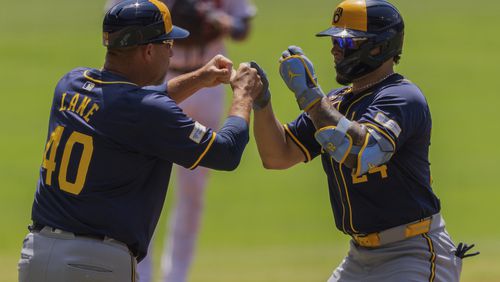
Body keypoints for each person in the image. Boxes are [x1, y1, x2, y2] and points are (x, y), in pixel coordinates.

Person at [17, 1, 262, 281]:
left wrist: (199, 78)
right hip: (93, 267)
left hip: (36, 257)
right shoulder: (143, 111)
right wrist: (243, 96)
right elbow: (226, 152)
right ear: (148, 50)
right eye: (168, 43)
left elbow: (137, 107)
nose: (172, 51)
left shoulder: (70, 84)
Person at [251, 0, 477, 281]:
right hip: (359, 257)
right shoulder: (334, 103)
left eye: (347, 42)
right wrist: (262, 103)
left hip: (412, 254)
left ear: (380, 46)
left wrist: (310, 98)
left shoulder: (401, 98)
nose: (335, 49)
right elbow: (277, 155)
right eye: (334, 40)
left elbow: (365, 154)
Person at [104, 0, 255, 280]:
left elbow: (241, 27)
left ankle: (177, 276)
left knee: (192, 194)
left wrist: (214, 18)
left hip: (208, 80)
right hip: (152, 79)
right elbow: (117, 22)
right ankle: (141, 273)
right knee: (141, 182)